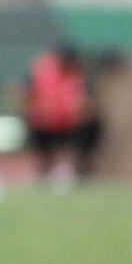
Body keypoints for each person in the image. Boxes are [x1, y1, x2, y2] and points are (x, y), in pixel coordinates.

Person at [22, 44, 102, 183]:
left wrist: (81, 111)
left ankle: (80, 166)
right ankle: (45, 168)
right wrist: (37, 110)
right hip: (44, 124)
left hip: (72, 123)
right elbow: (22, 93)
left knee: (94, 125)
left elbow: (90, 102)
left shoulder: (79, 75)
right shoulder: (42, 73)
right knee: (34, 129)